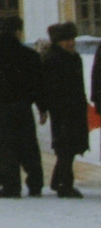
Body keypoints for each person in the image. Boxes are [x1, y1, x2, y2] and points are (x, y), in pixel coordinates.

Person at [0, 15, 46, 198]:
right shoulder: (29, 56)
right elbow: (38, 84)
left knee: (6, 147)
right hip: (23, 106)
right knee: (28, 145)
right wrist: (42, 108)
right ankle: (35, 183)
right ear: (17, 32)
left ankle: (11, 186)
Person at [42, 22, 88, 198]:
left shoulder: (74, 58)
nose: (71, 43)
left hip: (74, 108)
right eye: (66, 40)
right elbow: (48, 88)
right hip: (62, 109)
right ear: (57, 41)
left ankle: (58, 180)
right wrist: (46, 108)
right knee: (66, 146)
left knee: (70, 145)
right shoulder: (53, 59)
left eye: (72, 39)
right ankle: (65, 184)